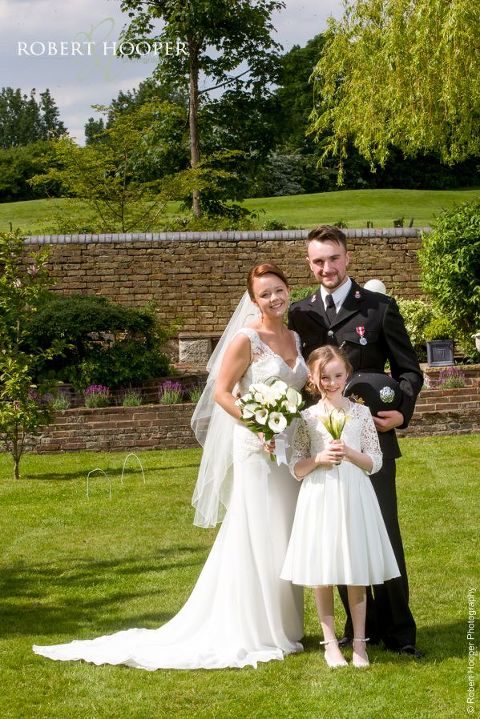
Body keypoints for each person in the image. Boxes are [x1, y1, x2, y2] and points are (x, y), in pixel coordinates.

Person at [33, 263, 308, 670]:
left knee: (284, 530)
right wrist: (258, 420)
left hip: (287, 449)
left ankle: (286, 625)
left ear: (289, 289)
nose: (274, 298)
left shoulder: (295, 336)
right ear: (253, 300)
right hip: (255, 446)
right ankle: (255, 627)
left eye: (279, 289)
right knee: (259, 530)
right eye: (264, 293)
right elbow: (220, 393)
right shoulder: (246, 339)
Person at [289, 225, 424, 657]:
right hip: (324, 449)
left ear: (347, 258)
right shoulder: (300, 313)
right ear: (309, 264)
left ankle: (400, 633)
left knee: (383, 535)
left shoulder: (379, 308)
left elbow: (409, 370)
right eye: (317, 261)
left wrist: (401, 410)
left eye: (333, 258)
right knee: (337, 539)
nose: (326, 268)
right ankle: (354, 631)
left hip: (370, 443)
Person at [281, 345, 400, 668]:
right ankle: (330, 643)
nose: (332, 382)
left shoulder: (360, 413)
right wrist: (319, 459)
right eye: (325, 377)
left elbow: (374, 461)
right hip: (320, 495)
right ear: (313, 380)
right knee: (323, 570)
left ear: (347, 375)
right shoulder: (307, 418)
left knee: (355, 568)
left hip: (353, 493)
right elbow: (296, 466)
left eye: (337, 375)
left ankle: (360, 642)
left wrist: (349, 452)